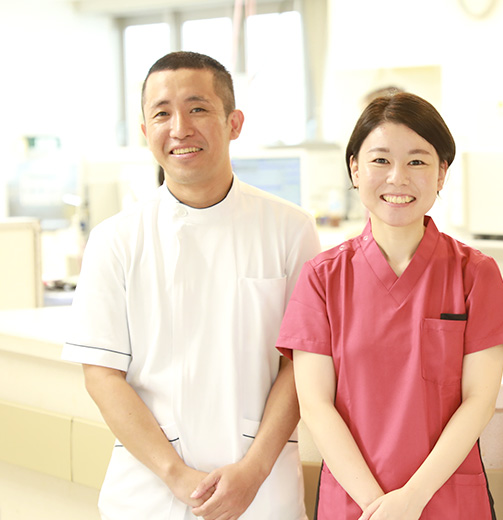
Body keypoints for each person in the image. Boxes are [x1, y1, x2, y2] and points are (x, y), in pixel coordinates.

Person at [62, 51, 320, 520]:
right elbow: (101, 374)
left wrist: (254, 471)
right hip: (148, 494)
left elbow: (300, 364)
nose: (180, 128)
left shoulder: (291, 229)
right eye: (162, 114)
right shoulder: (114, 240)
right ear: (146, 131)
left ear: (234, 123)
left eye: (197, 108)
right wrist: (176, 475)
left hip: (261, 492)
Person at [276, 92, 503, 519]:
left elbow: (479, 401)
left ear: (442, 173)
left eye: (417, 161)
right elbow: (315, 404)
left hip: (447, 502)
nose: (398, 177)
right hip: (355, 505)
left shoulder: (475, 274)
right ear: (355, 168)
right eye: (381, 160)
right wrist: (379, 508)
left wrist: (410, 500)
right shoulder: (322, 278)